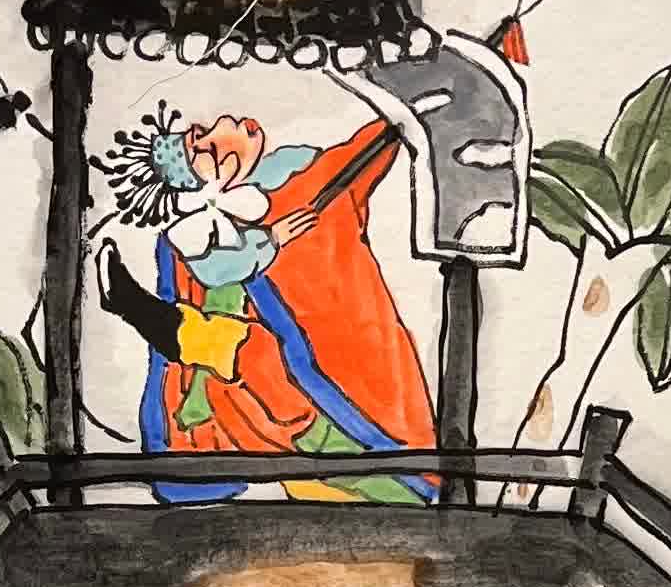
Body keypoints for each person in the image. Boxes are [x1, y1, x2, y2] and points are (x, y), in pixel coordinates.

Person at [89, 105, 435, 502]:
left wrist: (408, 110)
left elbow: (383, 136)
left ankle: (154, 318)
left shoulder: (309, 184)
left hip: (345, 412)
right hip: (264, 421)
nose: (223, 125)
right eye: (206, 149)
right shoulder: (201, 240)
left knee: (259, 360)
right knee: (254, 359)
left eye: (205, 133)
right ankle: (157, 320)